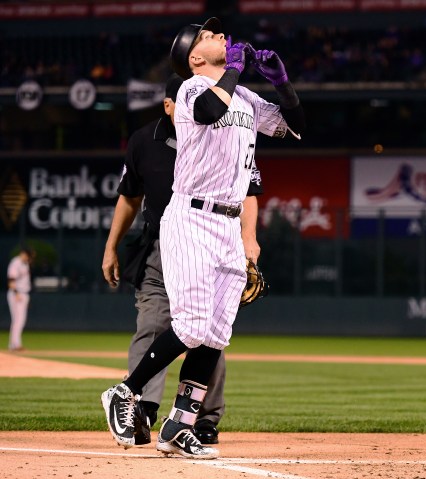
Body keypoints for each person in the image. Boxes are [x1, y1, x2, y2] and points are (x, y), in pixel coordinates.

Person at [101, 16, 304, 459]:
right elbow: (213, 110)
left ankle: (180, 424)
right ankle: (124, 392)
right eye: (209, 36)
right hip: (191, 218)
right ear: (195, 57)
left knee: (214, 334)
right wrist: (233, 67)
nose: (220, 36)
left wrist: (281, 82)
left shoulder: (244, 96)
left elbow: (293, 124)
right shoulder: (192, 88)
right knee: (191, 327)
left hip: (228, 225)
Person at [102, 74, 263, 445]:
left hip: (214, 239)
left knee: (211, 331)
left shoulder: (227, 129)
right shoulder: (146, 140)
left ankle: (199, 420)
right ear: (168, 105)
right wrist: (112, 246)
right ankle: (139, 410)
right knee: (155, 324)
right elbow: (128, 197)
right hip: (162, 244)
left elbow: (251, 191)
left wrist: (248, 240)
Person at [6, 246, 34, 352]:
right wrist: (16, 293)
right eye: (28, 255)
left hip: (24, 293)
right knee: (18, 320)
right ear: (23, 253)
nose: (29, 258)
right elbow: (11, 279)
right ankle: (15, 344)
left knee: (18, 320)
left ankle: (13, 344)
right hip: (17, 294)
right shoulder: (16, 263)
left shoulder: (25, 264)